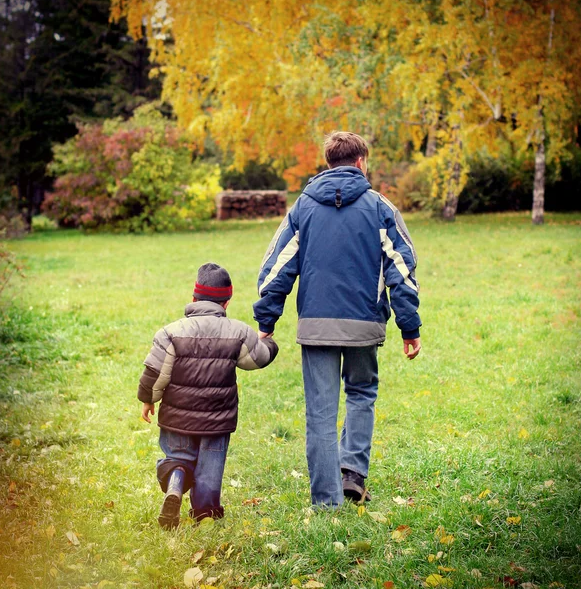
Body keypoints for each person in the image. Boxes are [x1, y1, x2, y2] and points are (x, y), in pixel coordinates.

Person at [253, 131, 421, 508]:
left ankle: (326, 502)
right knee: (361, 394)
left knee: (320, 413)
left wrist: (267, 319)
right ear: (361, 162)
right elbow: (402, 270)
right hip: (365, 324)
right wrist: (409, 327)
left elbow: (276, 268)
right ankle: (352, 474)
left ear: (328, 163)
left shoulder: (302, 208)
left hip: (316, 325)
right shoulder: (381, 208)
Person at [138, 263, 279, 528]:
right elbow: (257, 359)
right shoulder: (239, 332)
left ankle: (176, 481)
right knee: (210, 470)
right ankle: (205, 513)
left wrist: (148, 399)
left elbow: (155, 372)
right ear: (226, 303)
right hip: (218, 420)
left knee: (177, 457)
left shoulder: (171, 332)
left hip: (177, 418)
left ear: (193, 299)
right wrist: (269, 343)